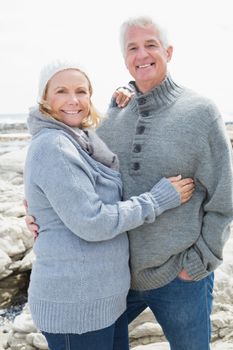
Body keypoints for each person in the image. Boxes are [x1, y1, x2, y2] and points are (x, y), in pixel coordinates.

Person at [24, 60, 195, 350]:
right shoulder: (53, 145)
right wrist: (158, 199)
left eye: (81, 91)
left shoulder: (81, 139)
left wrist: (126, 90)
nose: (73, 100)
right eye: (61, 91)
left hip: (104, 300)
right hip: (76, 307)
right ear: (44, 98)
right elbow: (94, 222)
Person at [98, 16, 233, 350]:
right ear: (124, 59)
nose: (142, 54)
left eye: (151, 45)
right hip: (116, 278)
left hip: (180, 277)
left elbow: (225, 195)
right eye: (133, 48)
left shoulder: (200, 112)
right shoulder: (114, 112)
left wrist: (200, 262)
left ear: (168, 52)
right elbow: (84, 174)